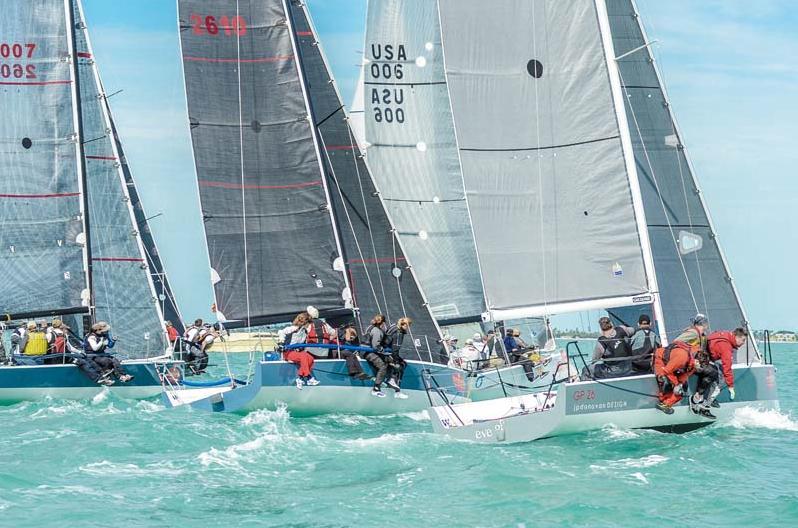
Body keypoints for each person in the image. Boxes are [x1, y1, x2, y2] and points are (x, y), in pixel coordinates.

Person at [690, 327, 748, 418]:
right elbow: (727, 368)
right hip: (702, 360)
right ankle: (705, 406)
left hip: (701, 356)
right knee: (721, 382)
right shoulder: (726, 347)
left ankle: (707, 398)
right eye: (743, 340)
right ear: (736, 337)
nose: (743, 343)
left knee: (719, 371)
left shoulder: (725, 335)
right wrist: (731, 386)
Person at [74, 321, 134, 386]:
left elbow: (110, 345)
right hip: (92, 356)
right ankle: (106, 373)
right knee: (107, 361)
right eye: (105, 330)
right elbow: (95, 348)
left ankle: (122, 376)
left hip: (101, 354)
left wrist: (113, 340)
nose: (106, 332)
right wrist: (101, 342)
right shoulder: (91, 337)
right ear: (98, 330)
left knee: (115, 360)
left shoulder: (105, 335)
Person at [279, 311, 320, 389]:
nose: (310, 325)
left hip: (298, 352)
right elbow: (281, 332)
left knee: (310, 358)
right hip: (288, 352)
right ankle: (308, 377)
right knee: (304, 355)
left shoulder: (304, 331)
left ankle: (300, 378)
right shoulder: (293, 328)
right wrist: (281, 342)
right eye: (309, 323)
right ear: (305, 322)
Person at [653, 340, 695, 414]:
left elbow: (684, 375)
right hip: (661, 359)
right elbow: (666, 371)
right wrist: (673, 383)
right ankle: (661, 398)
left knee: (679, 392)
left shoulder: (693, 366)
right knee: (666, 382)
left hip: (672, 366)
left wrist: (680, 384)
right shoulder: (682, 358)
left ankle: (665, 404)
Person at [381, 317, 412, 399]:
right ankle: (393, 384)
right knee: (400, 366)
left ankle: (395, 386)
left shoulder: (394, 327)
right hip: (387, 353)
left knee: (402, 363)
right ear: (404, 324)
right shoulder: (398, 332)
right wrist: (395, 360)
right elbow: (395, 348)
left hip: (385, 352)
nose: (408, 328)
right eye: (408, 325)